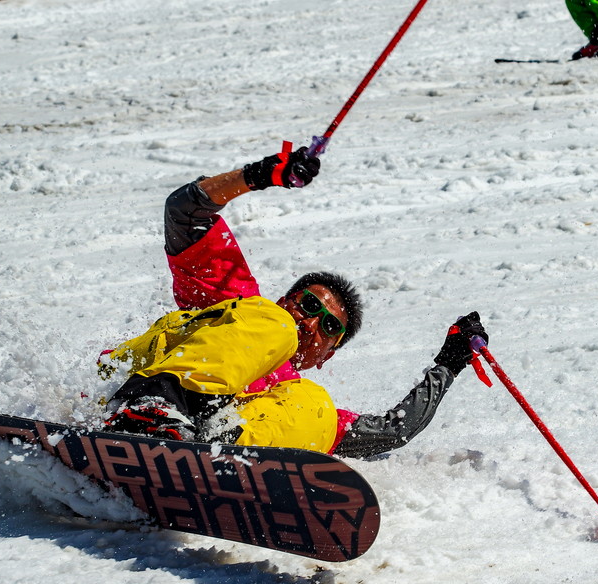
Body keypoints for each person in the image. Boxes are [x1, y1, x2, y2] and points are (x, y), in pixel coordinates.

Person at [99, 142, 487, 459]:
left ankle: (219, 452)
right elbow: (185, 212)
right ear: (285, 299)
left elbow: (393, 430)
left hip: (195, 438)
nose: (312, 322)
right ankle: (151, 407)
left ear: (325, 356)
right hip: (129, 392)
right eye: (309, 305)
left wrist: (449, 363)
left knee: (314, 404)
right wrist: (258, 175)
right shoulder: (241, 305)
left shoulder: (287, 393)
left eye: (330, 327)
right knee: (273, 327)